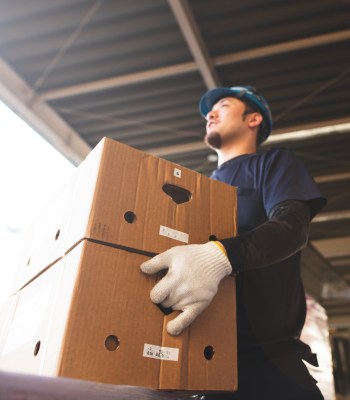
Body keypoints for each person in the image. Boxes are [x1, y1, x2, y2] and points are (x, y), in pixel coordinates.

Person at [140, 86, 327, 399]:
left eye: (223, 106)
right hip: (198, 359)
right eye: (209, 111)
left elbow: (291, 226)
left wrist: (221, 256)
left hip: (266, 362)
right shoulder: (196, 192)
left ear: (253, 119)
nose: (211, 113)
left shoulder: (273, 166)